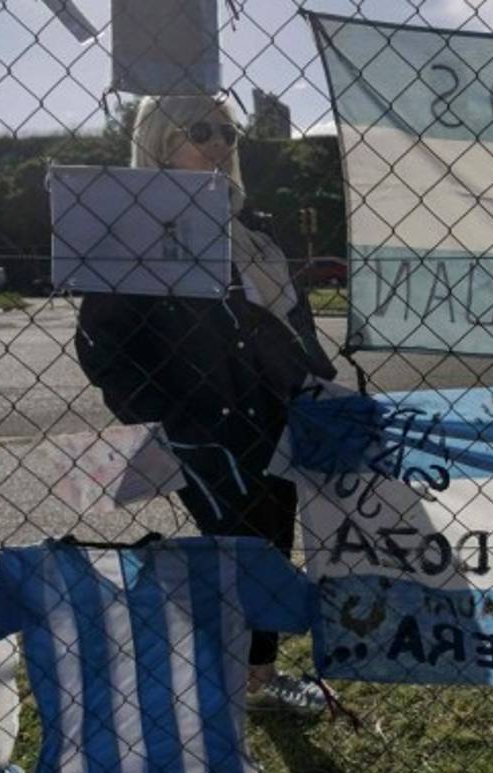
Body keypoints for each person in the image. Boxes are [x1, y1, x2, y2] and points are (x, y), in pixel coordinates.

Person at [74, 94, 337, 712]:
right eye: (201, 131)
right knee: (237, 551)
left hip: (279, 409)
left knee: (271, 546)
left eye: (228, 132)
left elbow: (293, 321)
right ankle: (224, 682)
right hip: (207, 425)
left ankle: (256, 681)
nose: (220, 144)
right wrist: (167, 418)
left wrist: (318, 385)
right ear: (160, 141)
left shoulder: (254, 224)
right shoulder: (135, 228)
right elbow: (101, 342)